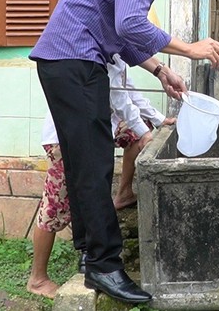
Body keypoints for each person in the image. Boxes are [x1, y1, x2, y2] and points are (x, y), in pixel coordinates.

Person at [29, 0, 219, 303]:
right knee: (94, 162)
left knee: (83, 162)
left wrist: (160, 70)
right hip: (74, 59)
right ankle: (105, 265)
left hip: (68, 60)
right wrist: (189, 49)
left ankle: (91, 255)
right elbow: (130, 25)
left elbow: (122, 36)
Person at [27, 54, 176, 299]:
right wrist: (143, 127)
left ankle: (124, 193)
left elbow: (129, 90)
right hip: (65, 139)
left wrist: (158, 120)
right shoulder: (95, 56)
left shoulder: (113, 53)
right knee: (55, 207)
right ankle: (37, 278)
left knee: (136, 134)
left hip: (96, 129)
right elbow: (120, 99)